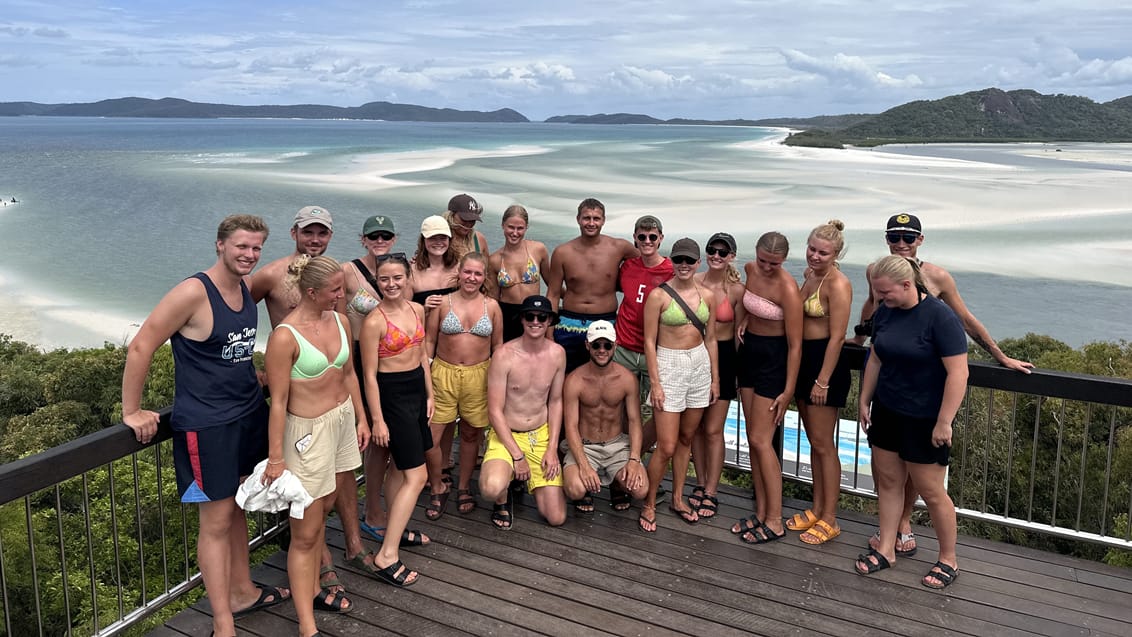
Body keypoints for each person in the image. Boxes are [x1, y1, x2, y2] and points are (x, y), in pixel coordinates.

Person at [121, 215, 290, 637]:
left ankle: (243, 591)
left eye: (256, 249)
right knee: (214, 523)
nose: (249, 255)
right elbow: (142, 345)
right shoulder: (193, 292)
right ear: (219, 245)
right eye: (241, 247)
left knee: (236, 510)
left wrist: (253, 373)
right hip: (207, 426)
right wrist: (132, 411)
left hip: (246, 413)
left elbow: (233, 349)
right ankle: (223, 623)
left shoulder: (244, 291)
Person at [855, 212, 1032, 557]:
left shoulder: (936, 281)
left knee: (923, 479)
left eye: (908, 238)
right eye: (894, 238)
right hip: (891, 400)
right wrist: (859, 341)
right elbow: (875, 314)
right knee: (890, 475)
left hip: (925, 401)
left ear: (920, 240)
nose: (901, 244)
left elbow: (963, 322)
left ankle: (929, 542)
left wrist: (1001, 356)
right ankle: (893, 537)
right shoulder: (880, 277)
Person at [263, 255, 372, 635]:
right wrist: (276, 459)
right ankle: (306, 625)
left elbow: (348, 373)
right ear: (311, 292)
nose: (342, 296)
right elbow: (278, 402)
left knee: (327, 503)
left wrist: (360, 417)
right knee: (305, 533)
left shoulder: (341, 321)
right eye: (335, 291)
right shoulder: (284, 336)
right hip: (306, 433)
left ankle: (311, 587)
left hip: (341, 420)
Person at [855, 255, 968, 590]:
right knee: (889, 484)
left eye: (884, 293)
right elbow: (876, 357)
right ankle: (887, 548)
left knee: (932, 492)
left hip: (925, 418)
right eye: (877, 293)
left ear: (907, 285)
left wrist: (944, 421)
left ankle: (948, 559)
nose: (879, 299)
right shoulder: (886, 313)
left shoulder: (939, 317)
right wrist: (864, 399)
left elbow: (958, 373)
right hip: (888, 411)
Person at [358, 254, 433, 587]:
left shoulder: (417, 310)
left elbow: (422, 355)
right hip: (391, 397)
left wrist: (430, 394)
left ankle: (394, 529)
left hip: (416, 390)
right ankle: (386, 555)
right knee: (418, 476)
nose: (391, 285)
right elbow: (370, 377)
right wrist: (377, 420)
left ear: (408, 277)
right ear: (377, 280)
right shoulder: (374, 321)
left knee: (399, 469)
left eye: (397, 278)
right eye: (384, 279)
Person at [640, 238, 719, 532]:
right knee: (667, 445)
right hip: (669, 364)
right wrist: (656, 383)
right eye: (679, 260)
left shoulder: (708, 296)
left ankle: (677, 497)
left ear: (698, 263)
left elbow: (710, 338)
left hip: (699, 365)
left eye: (689, 260)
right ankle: (649, 502)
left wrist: (715, 378)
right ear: (673, 261)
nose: (684, 265)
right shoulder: (658, 296)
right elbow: (649, 342)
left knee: (687, 438)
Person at [730, 231, 802, 544]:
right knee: (752, 436)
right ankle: (761, 511)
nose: (767, 267)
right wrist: (745, 317)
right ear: (756, 254)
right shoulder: (749, 269)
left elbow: (796, 345)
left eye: (775, 263)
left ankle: (775, 520)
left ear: (784, 261)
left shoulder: (788, 287)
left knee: (761, 440)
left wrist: (788, 391)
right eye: (763, 260)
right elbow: (748, 301)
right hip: (748, 353)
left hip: (775, 359)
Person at [784, 221, 853, 545]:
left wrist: (822, 381)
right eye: (811, 249)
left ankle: (831, 518)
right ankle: (816, 508)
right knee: (814, 442)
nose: (814, 255)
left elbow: (838, 337)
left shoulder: (838, 285)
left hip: (825, 367)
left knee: (825, 445)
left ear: (836, 253)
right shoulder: (811, 276)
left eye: (822, 252)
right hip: (804, 362)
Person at [424, 252, 503, 519]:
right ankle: (437, 485)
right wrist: (426, 374)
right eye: (467, 272)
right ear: (459, 273)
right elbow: (429, 342)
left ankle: (463, 486)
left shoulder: (491, 307)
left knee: (471, 435)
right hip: (443, 373)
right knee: (432, 435)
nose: (472, 278)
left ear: (484, 277)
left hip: (479, 375)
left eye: (478, 273)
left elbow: (498, 347)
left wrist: (498, 381)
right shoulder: (442, 303)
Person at [478, 295, 568, 529]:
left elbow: (556, 401)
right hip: (507, 433)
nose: (535, 321)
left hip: (540, 434)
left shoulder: (558, 354)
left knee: (556, 517)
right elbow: (495, 411)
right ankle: (503, 496)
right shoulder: (504, 355)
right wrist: (518, 456)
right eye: (530, 316)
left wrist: (552, 448)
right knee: (491, 487)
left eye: (542, 317)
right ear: (521, 320)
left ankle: (521, 479)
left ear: (549, 321)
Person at [339, 214, 396, 545]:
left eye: (385, 235)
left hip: (392, 359)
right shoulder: (348, 271)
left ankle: (377, 507)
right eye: (373, 236)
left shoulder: (400, 270)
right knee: (364, 437)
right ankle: (366, 511)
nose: (379, 240)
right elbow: (334, 312)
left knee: (383, 441)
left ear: (393, 238)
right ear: (363, 239)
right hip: (358, 358)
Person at [562, 320, 650, 514]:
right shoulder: (575, 380)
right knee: (575, 490)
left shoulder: (627, 378)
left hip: (617, 444)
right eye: (596, 345)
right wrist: (584, 465)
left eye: (607, 345)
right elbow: (571, 425)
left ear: (615, 346)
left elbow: (635, 421)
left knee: (640, 490)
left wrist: (634, 460)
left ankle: (617, 483)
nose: (602, 350)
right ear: (587, 345)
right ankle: (584, 482)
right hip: (585, 445)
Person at [545, 198, 639, 373]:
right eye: (586, 218)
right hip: (569, 324)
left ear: (603, 220)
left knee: (605, 379)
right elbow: (553, 294)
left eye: (596, 218)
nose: (591, 223)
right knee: (565, 375)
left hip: (606, 322)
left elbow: (646, 265)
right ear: (578, 219)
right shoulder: (563, 252)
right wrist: (549, 334)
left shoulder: (619, 247)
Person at [688, 232, 743, 519]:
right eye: (712, 250)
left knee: (713, 429)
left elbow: (739, 333)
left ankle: (711, 489)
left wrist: (734, 373)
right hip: (695, 355)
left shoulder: (736, 290)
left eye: (723, 252)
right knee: (696, 427)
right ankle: (699, 483)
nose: (717, 256)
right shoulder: (693, 283)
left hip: (724, 357)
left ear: (732, 255)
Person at [613, 215, 673, 451]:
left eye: (652, 236)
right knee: (623, 409)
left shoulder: (672, 270)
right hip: (624, 347)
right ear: (635, 239)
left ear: (660, 239)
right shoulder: (627, 267)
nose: (647, 241)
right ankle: (623, 463)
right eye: (642, 237)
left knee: (656, 411)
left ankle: (638, 458)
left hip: (655, 351)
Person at [410, 215, 461, 484]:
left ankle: (443, 464)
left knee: (449, 412)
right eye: (433, 238)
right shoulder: (413, 271)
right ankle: (425, 470)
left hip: (452, 345)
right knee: (428, 413)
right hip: (423, 346)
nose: (438, 242)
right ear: (424, 240)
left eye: (443, 237)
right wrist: (424, 307)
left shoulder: (458, 270)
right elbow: (403, 311)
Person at [251, 206, 333, 327]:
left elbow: (341, 323)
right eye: (307, 232)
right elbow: (238, 311)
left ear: (330, 236)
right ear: (294, 234)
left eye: (322, 234)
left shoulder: (335, 275)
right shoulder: (271, 275)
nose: (315, 240)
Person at [488, 204, 550, 342]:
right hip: (507, 315)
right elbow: (493, 299)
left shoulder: (538, 250)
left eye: (520, 228)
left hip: (534, 314)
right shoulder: (494, 260)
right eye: (511, 227)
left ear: (526, 227)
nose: (515, 233)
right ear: (503, 225)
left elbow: (553, 285)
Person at [445, 193, 491, 257]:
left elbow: (486, 266)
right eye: (464, 219)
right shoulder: (439, 239)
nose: (469, 224)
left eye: (472, 220)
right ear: (451, 216)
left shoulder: (478, 239)